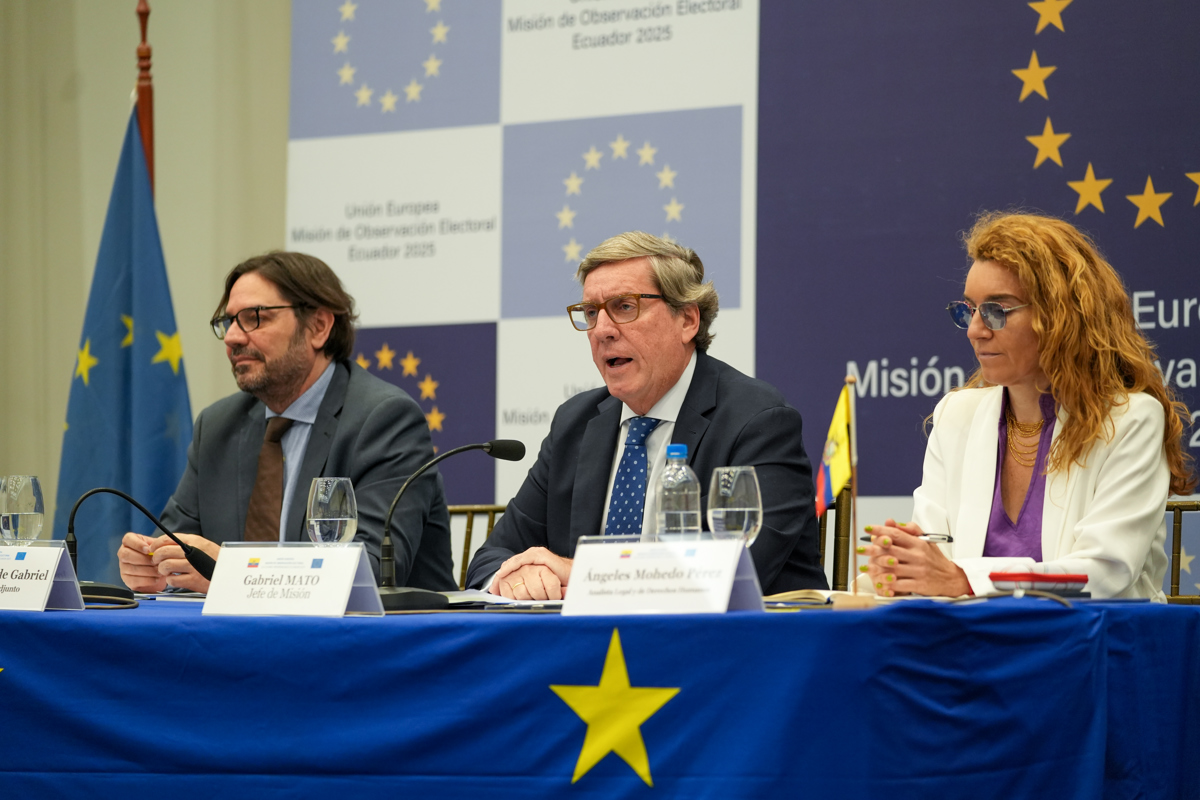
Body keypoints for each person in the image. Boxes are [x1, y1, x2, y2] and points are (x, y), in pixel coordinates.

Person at [466, 232, 827, 599]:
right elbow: (490, 558)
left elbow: (737, 571)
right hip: (593, 649)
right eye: (591, 313)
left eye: (625, 306)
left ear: (687, 320)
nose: (602, 331)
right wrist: (513, 575)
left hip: (729, 648)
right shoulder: (575, 423)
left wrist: (587, 574)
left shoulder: (756, 420)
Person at [864, 212, 1195, 601]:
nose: (975, 330)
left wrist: (964, 580)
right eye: (968, 310)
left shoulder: (1130, 420)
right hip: (972, 648)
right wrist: (903, 565)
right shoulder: (957, 414)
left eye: (996, 311)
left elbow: (1105, 572)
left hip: (1090, 649)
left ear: (1062, 317)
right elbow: (936, 559)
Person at [116, 252, 455, 593]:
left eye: (254, 318)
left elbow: (368, 572)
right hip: (235, 641)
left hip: (366, 642)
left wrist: (233, 572)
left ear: (319, 326)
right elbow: (176, 545)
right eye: (229, 321)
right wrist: (154, 564)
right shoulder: (217, 427)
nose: (233, 337)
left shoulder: (385, 420)